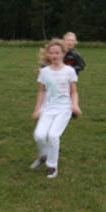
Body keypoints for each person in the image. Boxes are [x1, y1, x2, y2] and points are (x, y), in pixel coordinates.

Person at [31, 39, 81, 178]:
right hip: (48, 108)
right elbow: (42, 91)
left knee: (53, 136)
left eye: (57, 53)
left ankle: (53, 166)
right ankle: (44, 156)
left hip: (64, 108)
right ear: (48, 54)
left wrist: (75, 105)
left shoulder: (69, 71)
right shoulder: (44, 72)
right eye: (51, 53)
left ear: (63, 54)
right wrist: (37, 109)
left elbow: (74, 92)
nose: (54, 55)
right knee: (39, 135)